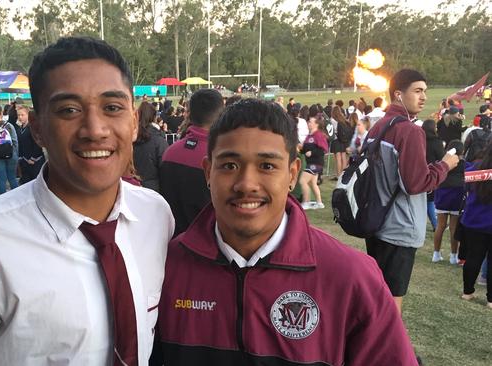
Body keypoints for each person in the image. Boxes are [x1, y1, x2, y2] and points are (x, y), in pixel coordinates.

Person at [0, 36, 174, 365]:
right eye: (69, 110)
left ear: (133, 122)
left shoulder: (155, 215)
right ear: (38, 128)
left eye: (112, 107)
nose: (95, 129)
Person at [154, 98, 418, 365]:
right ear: (208, 171)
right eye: (229, 165)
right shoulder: (165, 268)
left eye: (267, 166)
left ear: (292, 174)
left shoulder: (352, 277)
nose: (246, 184)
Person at [364, 69, 459, 317]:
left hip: (376, 222)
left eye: (425, 91)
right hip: (399, 228)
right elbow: (417, 183)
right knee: (392, 304)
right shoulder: (409, 130)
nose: (424, 97)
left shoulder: (379, 126)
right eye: (417, 91)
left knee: (378, 296)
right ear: (398, 95)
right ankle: (388, 353)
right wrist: (446, 164)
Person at [160, 88, 224, 237]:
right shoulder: (221, 158)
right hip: (207, 245)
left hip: (172, 242)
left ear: (189, 114)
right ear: (222, 115)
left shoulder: (170, 152)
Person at [460, 142, 492, 309]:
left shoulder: (474, 169)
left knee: (473, 257)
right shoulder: (475, 169)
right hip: (478, 221)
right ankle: (490, 300)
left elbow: (466, 188)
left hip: (475, 221)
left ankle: (467, 292)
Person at [432, 140, 465, 264]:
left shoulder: (444, 161)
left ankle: (436, 254)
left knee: (440, 226)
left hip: (443, 193)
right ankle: (453, 256)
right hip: (457, 194)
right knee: (453, 227)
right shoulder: (463, 163)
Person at [133, 101, 168, 192]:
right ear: (154, 117)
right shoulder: (159, 141)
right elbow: (166, 170)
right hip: (152, 190)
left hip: (135, 188)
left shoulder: (158, 139)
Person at [299, 105, 328, 210]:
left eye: (310, 122)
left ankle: (306, 202)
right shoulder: (309, 135)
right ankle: (319, 203)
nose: (308, 123)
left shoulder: (319, 135)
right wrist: (301, 149)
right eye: (308, 122)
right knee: (312, 183)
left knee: (303, 181)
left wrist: (312, 152)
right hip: (311, 162)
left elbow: (323, 149)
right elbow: (305, 150)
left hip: (316, 163)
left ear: (316, 124)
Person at [16, 105, 45, 184]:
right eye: (18, 115)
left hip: (35, 161)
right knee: (27, 183)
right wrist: (20, 157)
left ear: (28, 115)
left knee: (37, 183)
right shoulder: (20, 128)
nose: (20, 117)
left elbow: (37, 144)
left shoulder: (32, 128)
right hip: (25, 160)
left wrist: (33, 158)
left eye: (22, 115)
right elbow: (20, 144)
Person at [423, 119, 443, 232]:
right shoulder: (436, 142)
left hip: (418, 171)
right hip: (431, 172)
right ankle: (436, 224)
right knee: (429, 201)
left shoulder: (419, 139)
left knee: (425, 200)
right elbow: (441, 157)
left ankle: (435, 224)